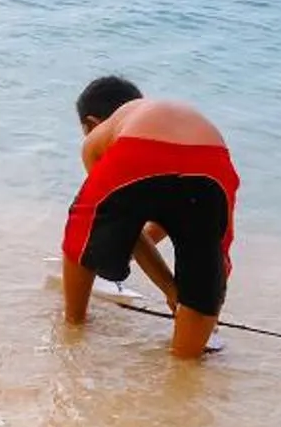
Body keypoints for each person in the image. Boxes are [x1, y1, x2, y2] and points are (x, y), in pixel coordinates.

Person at [59, 75, 240, 358]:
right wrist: (176, 290)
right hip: (212, 162)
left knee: (82, 232)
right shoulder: (158, 115)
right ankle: (187, 360)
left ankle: (73, 324)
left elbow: (119, 225)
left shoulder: (100, 136)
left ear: (90, 124)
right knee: (205, 263)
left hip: (137, 149)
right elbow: (166, 224)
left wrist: (166, 285)